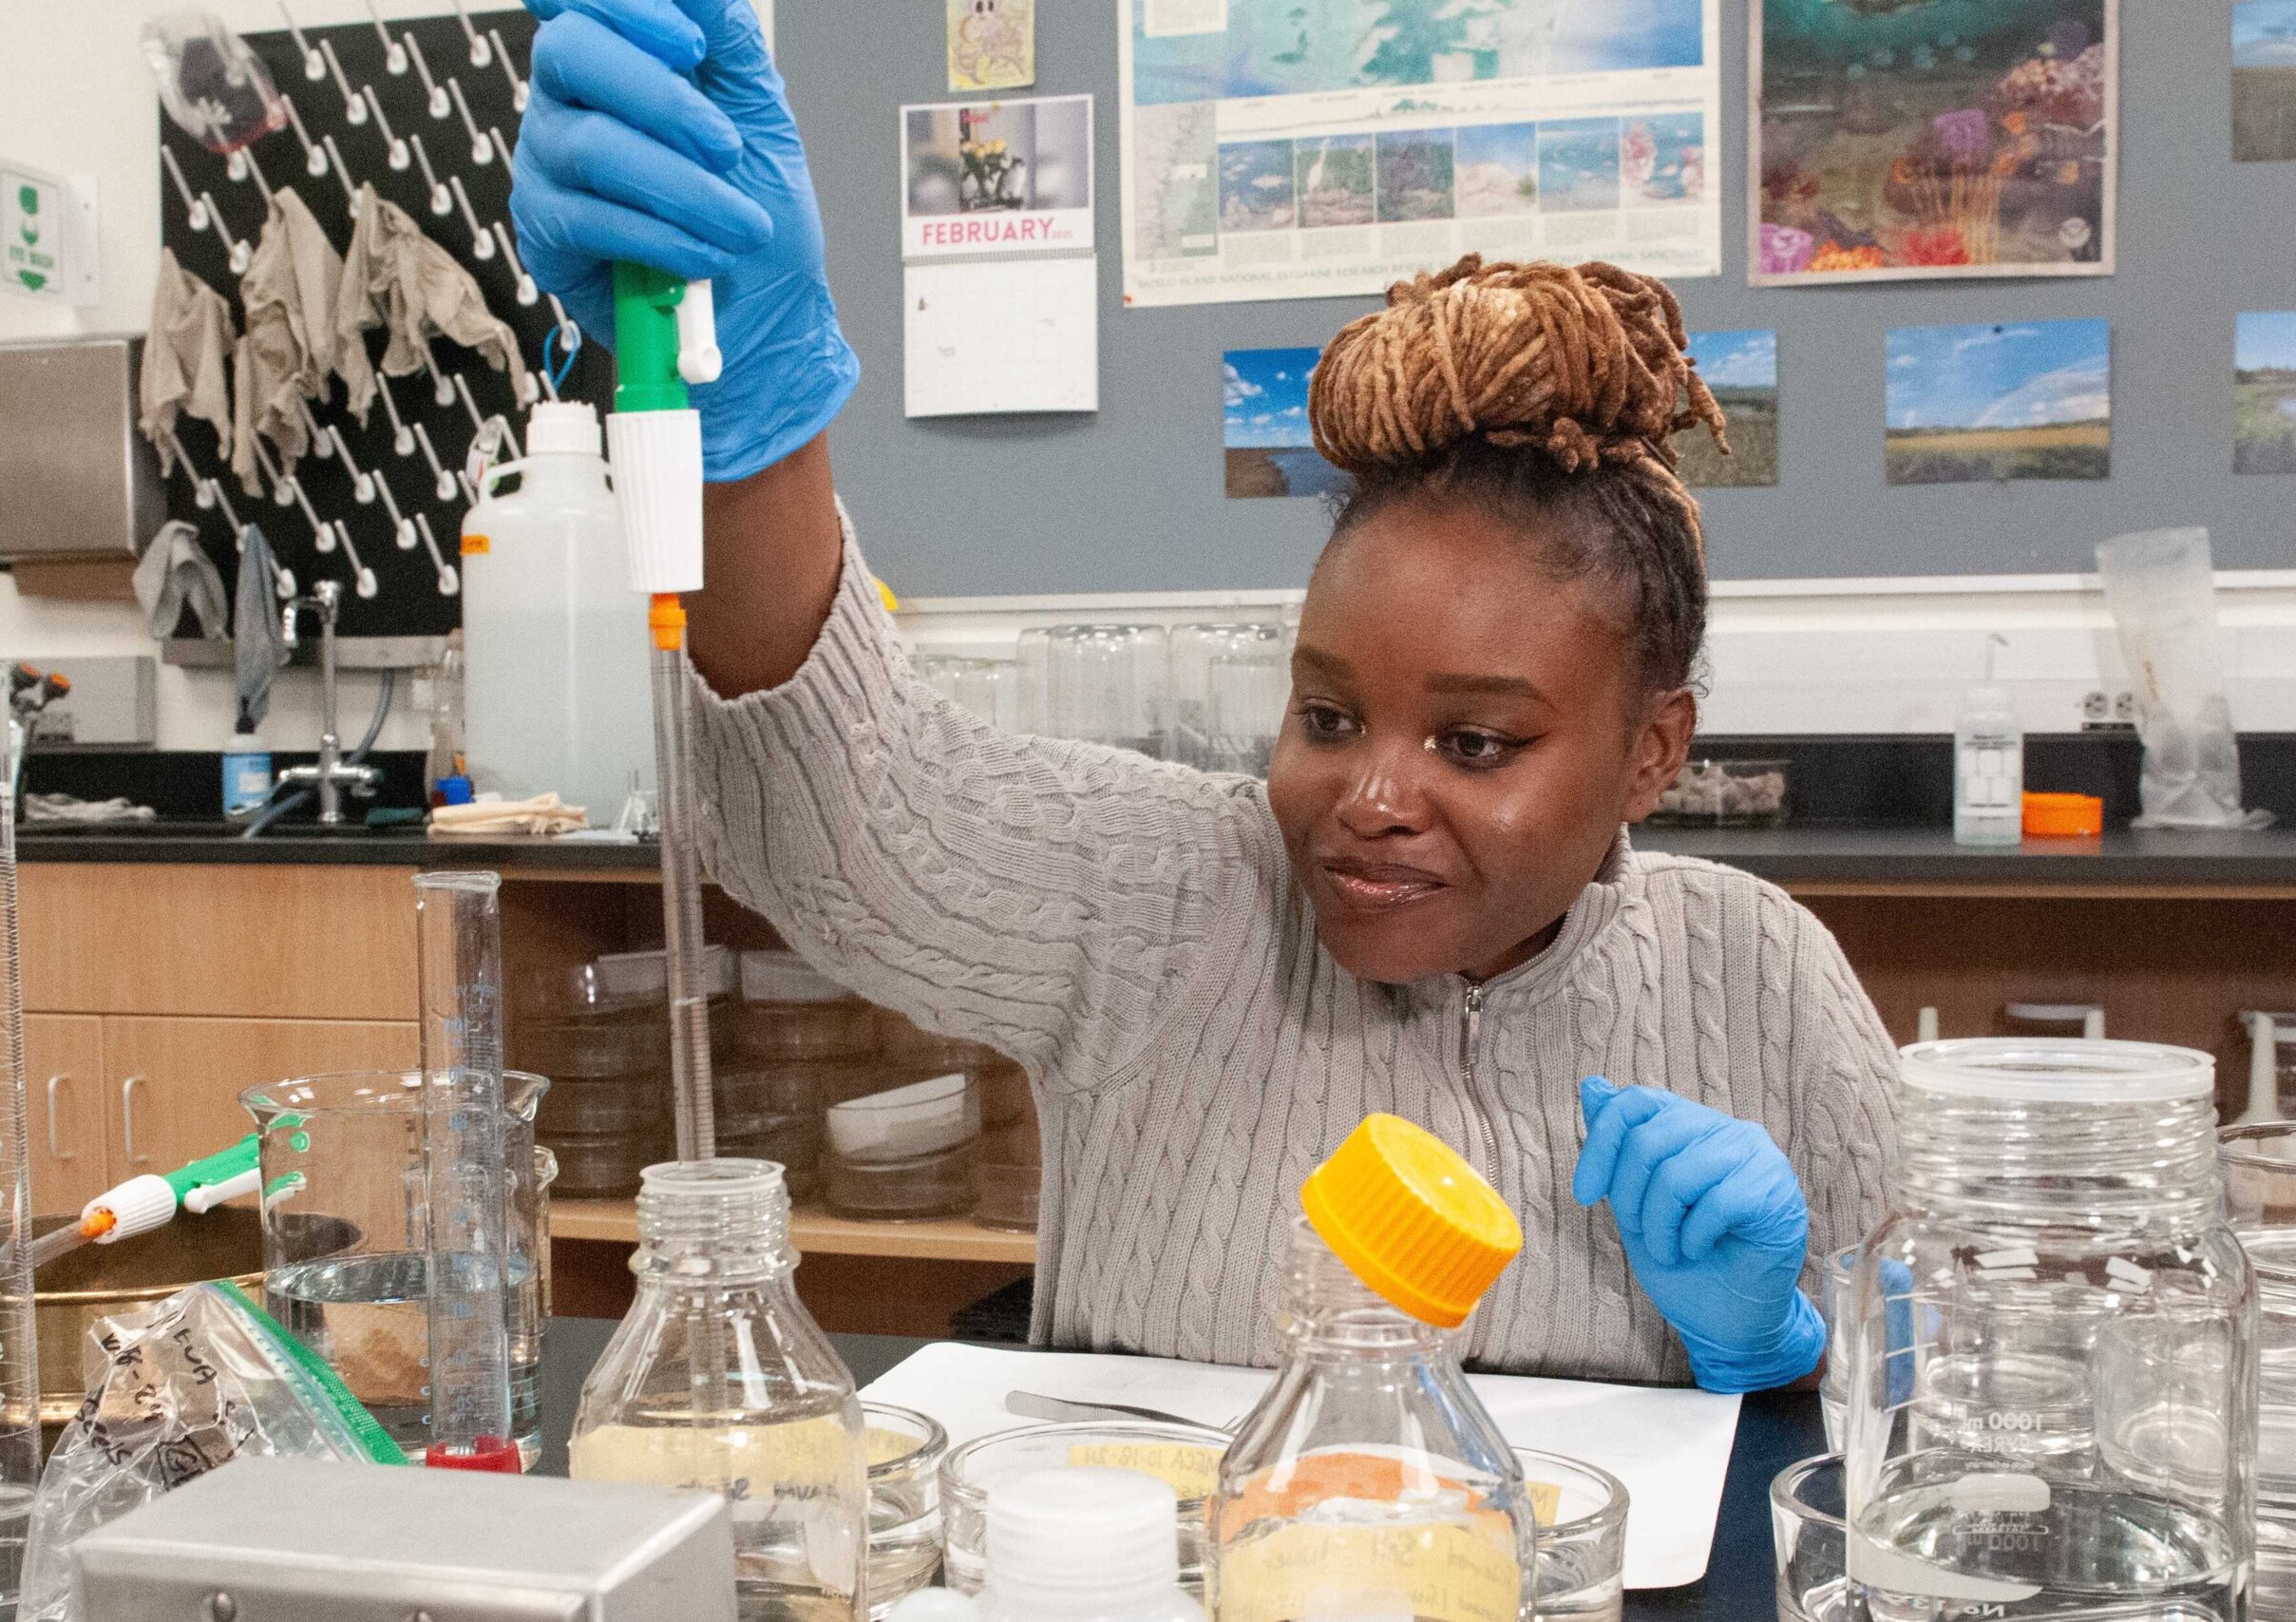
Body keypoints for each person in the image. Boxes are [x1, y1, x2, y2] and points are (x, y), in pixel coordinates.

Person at [511, 0, 1900, 1389]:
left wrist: (1781, 1353)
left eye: (1475, 743)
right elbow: (846, 817)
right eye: (1330, 717)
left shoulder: (1758, 977)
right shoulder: (1172, 896)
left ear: (1653, 753)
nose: (1369, 800)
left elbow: (1939, 1413)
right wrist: (754, 408)